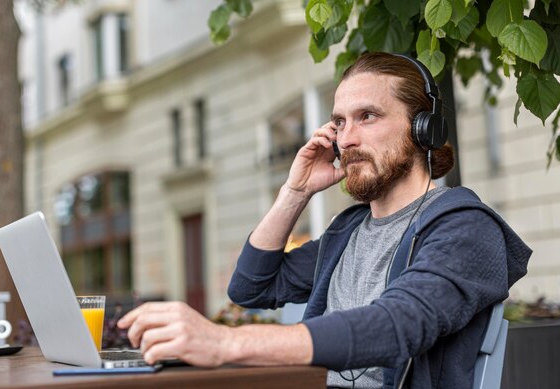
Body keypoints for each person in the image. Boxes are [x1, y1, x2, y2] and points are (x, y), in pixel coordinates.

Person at [118, 52, 531, 388]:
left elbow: (396, 326)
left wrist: (224, 342)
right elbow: (250, 287)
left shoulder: (465, 229)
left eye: (367, 116)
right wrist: (294, 193)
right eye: (339, 121)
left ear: (422, 128)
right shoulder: (346, 232)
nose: (346, 138)